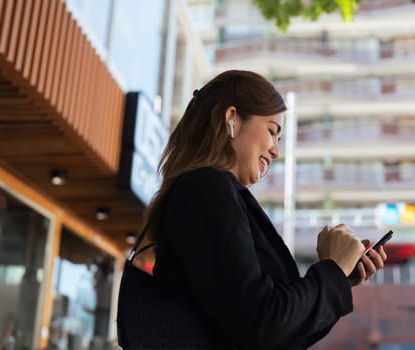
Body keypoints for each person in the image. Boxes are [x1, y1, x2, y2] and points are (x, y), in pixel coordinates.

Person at [121, 70, 387, 349]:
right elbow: (263, 323)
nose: (275, 151)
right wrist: (331, 272)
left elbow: (279, 330)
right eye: (272, 131)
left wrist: (339, 278)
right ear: (232, 119)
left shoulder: (213, 192)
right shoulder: (207, 189)